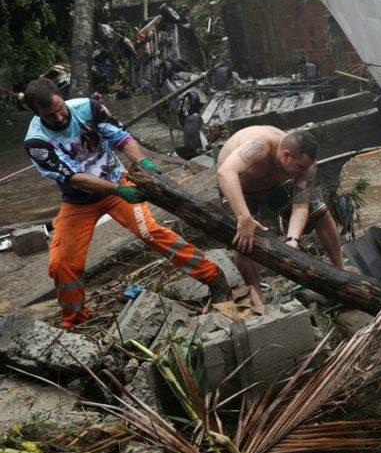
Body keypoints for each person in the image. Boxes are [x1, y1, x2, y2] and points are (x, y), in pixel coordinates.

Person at [22, 79, 227, 328]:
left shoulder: (89, 108)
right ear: (37, 114)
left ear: (61, 97)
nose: (59, 117)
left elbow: (121, 138)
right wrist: (119, 191)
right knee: (62, 262)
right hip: (79, 200)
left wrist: (143, 164)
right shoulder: (37, 141)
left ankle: (214, 277)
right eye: (50, 116)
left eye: (60, 108)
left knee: (149, 231)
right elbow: (74, 178)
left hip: (116, 177)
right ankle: (75, 321)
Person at [216, 126, 345, 302]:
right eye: (299, 167)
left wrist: (293, 240)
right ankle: (257, 295)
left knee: (321, 214)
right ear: (285, 155)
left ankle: (341, 274)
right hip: (238, 186)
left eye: (305, 168)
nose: (302, 172)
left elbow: (300, 206)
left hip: (276, 184)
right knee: (243, 238)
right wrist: (243, 217)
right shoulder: (260, 144)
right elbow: (225, 172)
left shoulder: (306, 166)